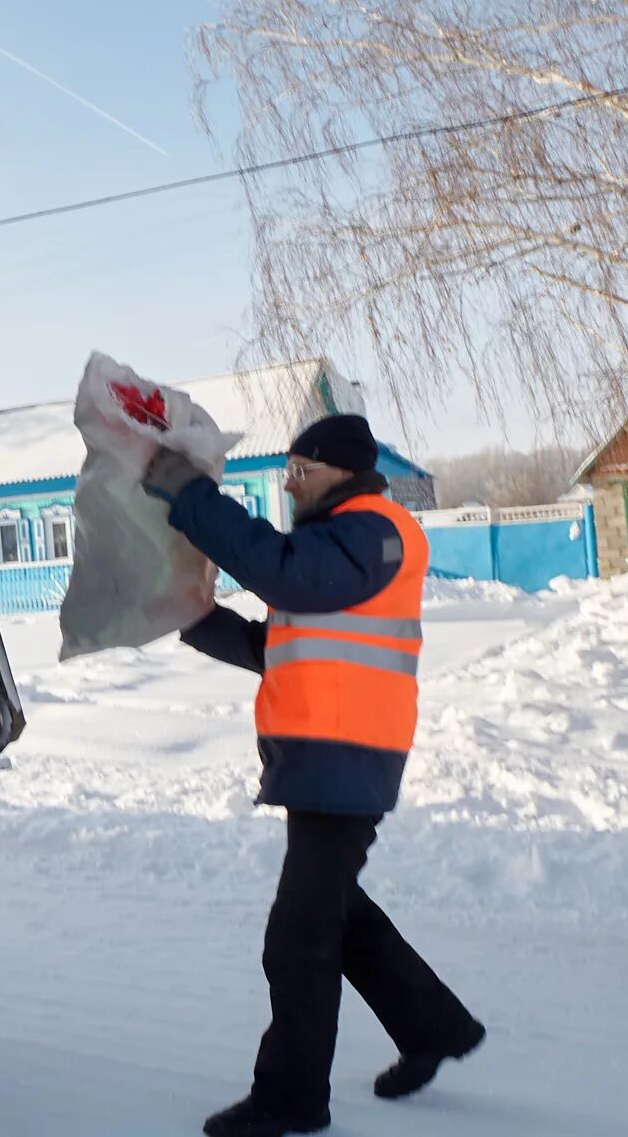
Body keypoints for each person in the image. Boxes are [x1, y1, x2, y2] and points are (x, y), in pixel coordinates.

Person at [141, 413, 485, 1137]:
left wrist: (189, 497)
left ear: (340, 471)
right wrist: (199, 622)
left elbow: (284, 573)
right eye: (287, 470)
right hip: (324, 758)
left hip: (348, 755)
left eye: (301, 469)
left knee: (296, 934)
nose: (290, 483)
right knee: (335, 913)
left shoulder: (375, 531)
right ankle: (434, 1026)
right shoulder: (339, 543)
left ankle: (291, 1098)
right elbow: (283, 646)